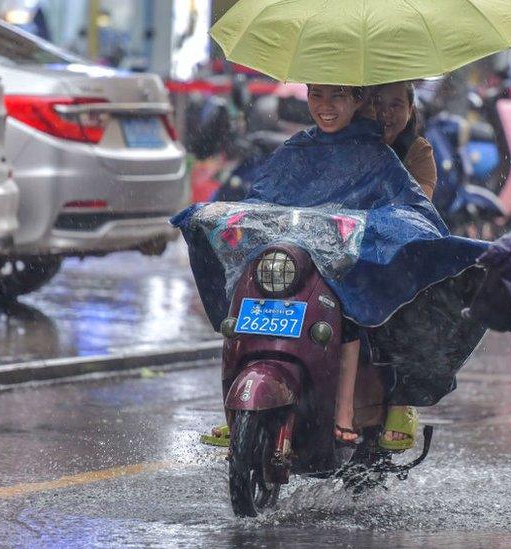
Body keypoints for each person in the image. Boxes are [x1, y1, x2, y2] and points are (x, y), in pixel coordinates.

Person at [188, 83, 486, 450]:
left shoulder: (395, 155)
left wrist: (382, 226)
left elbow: (414, 210)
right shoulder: (301, 147)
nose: (384, 113)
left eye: (395, 105)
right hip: (303, 251)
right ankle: (233, 408)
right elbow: (263, 197)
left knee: (373, 318)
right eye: (317, 96)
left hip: (364, 260)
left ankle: (382, 406)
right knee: (247, 292)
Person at [373, 81, 437, 199]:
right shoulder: (350, 143)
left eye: (395, 105)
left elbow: (418, 208)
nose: (386, 113)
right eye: (377, 102)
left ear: (410, 110)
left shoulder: (419, 151)